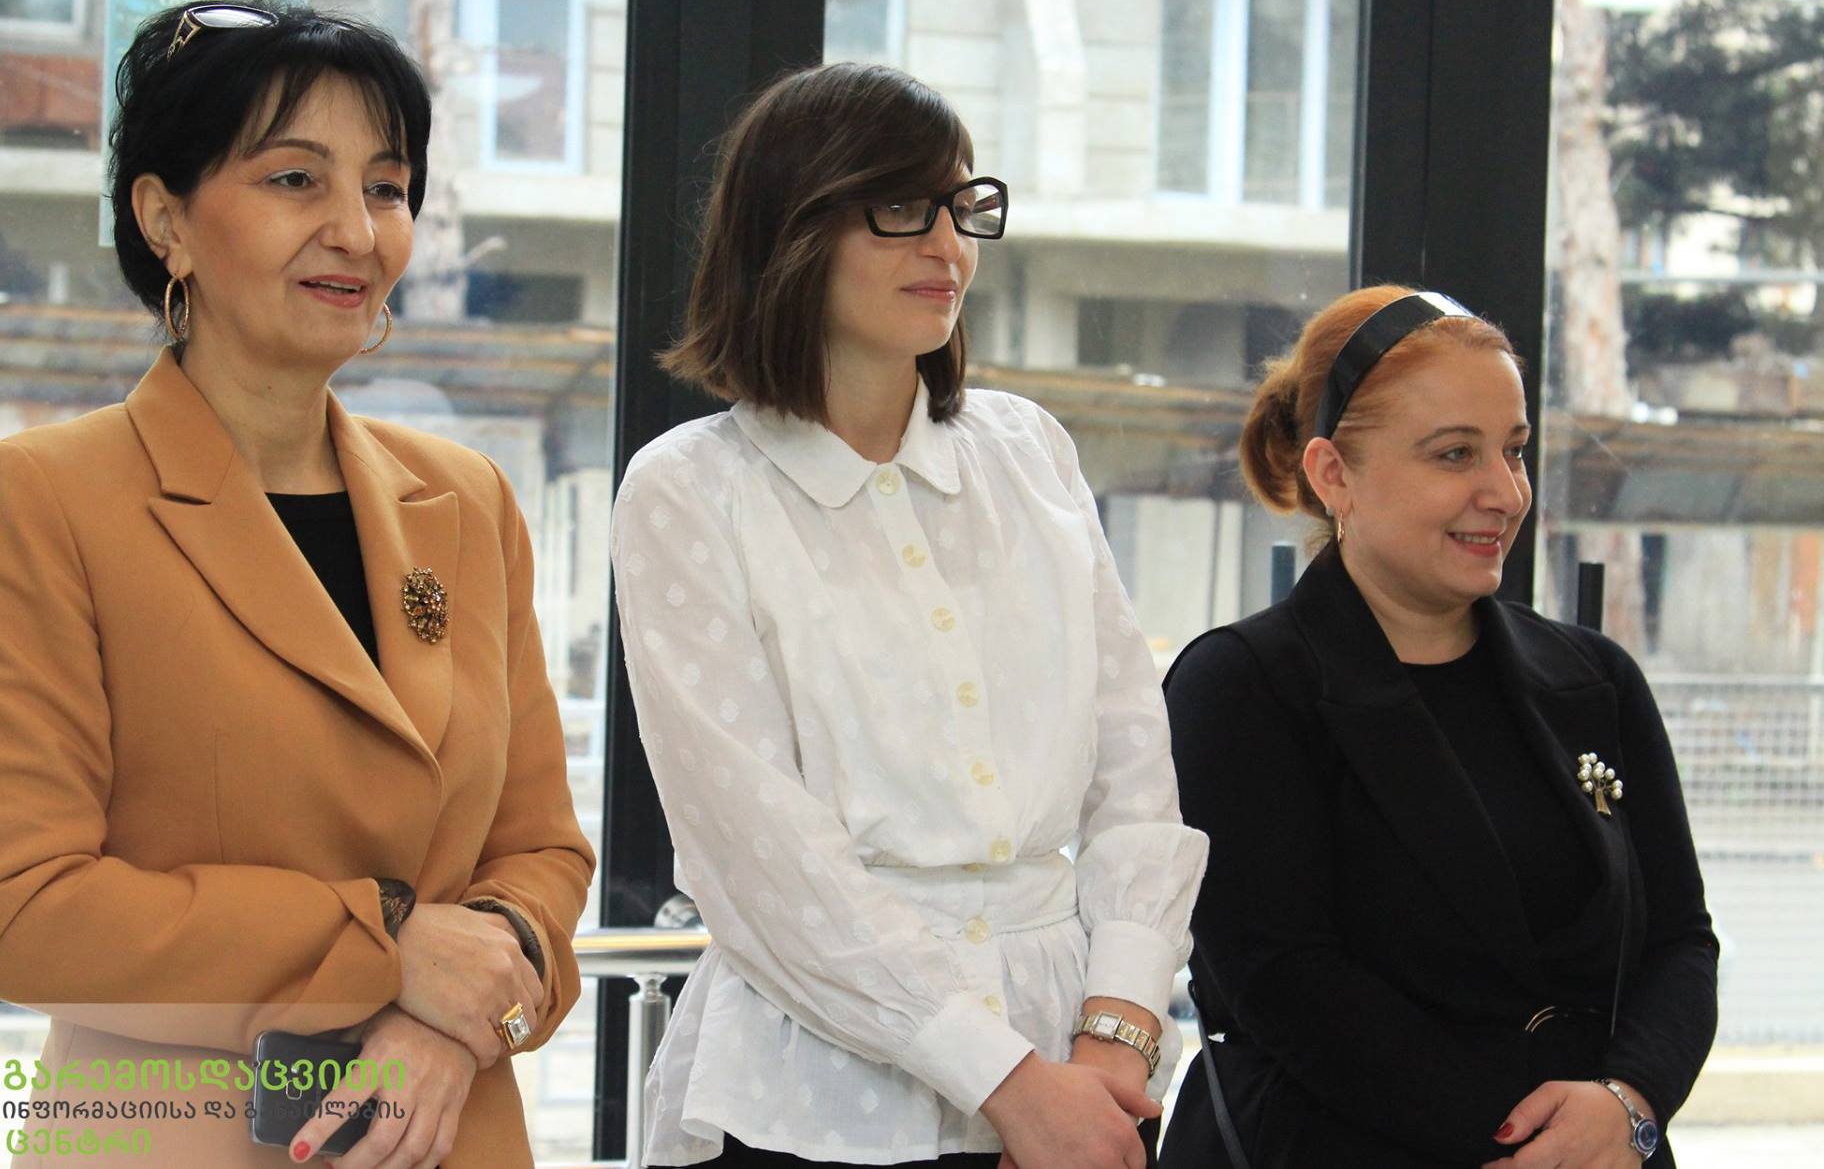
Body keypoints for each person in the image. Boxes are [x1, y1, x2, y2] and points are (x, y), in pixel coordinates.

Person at [0, 0, 595, 1168]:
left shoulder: (466, 501)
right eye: (295, 180)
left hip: (450, 1131)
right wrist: (386, 954)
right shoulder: (42, 498)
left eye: (385, 187)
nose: (355, 230)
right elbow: (19, 906)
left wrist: (452, 1020)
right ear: (165, 219)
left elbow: (541, 852)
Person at [610, 61, 1208, 1169]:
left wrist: (1117, 1033)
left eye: (962, 205)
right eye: (899, 208)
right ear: (789, 228)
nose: (947, 247)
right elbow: (761, 858)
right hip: (813, 1089)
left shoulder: (1029, 452)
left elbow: (1134, 773)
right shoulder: (690, 489)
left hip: (1078, 1075)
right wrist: (1005, 1079)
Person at [1159, 286, 1718, 1169]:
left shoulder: (1597, 680)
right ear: (1333, 474)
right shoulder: (1241, 687)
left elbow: (1680, 940)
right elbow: (1287, 982)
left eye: (1515, 450)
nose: (1504, 491)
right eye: (1456, 453)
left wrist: (1629, 1103)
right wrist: (1533, 1144)